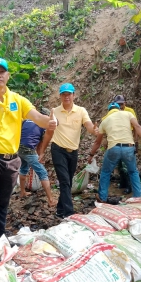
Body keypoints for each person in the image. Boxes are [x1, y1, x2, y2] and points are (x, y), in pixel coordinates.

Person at [0, 57, 57, 268]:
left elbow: (36, 117)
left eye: (2, 71)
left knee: (3, 203)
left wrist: (49, 122)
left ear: (7, 75)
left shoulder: (17, 100)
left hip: (12, 160)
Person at [39, 83, 98, 219]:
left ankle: (60, 210)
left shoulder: (81, 111)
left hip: (73, 151)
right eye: (64, 94)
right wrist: (42, 151)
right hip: (58, 150)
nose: (66, 97)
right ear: (60, 96)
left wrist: (93, 130)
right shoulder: (55, 111)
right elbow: (48, 133)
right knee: (65, 181)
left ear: (74, 95)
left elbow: (88, 125)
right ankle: (69, 213)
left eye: (69, 94)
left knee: (68, 182)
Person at [88, 102, 141, 202]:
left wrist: (91, 155)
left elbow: (97, 142)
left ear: (109, 111)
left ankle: (102, 197)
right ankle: (138, 197)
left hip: (114, 148)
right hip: (129, 148)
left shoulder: (105, 121)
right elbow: (137, 127)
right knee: (133, 171)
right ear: (118, 109)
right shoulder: (127, 114)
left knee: (105, 172)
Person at [18, 107, 58, 207]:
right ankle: (51, 200)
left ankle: (22, 192)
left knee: (23, 168)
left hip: (19, 148)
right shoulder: (43, 124)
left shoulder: (26, 120)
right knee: (43, 173)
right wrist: (40, 156)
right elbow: (40, 144)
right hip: (29, 150)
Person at [103, 95, 138, 194]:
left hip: (127, 139)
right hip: (115, 140)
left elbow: (136, 127)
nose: (120, 106)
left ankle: (129, 186)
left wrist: (136, 142)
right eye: (118, 104)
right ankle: (123, 183)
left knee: (128, 166)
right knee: (119, 164)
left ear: (125, 103)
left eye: (122, 104)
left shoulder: (129, 111)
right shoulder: (113, 112)